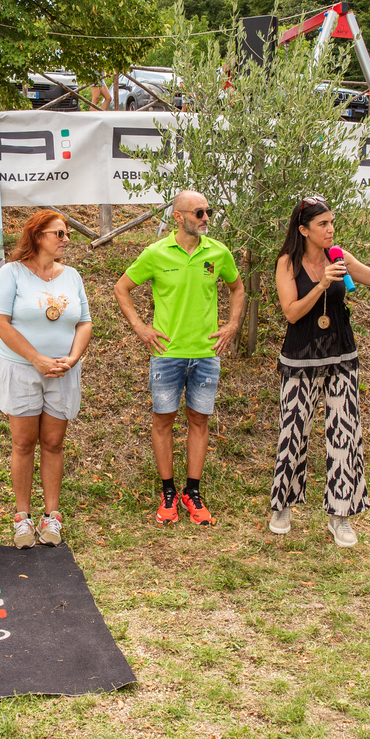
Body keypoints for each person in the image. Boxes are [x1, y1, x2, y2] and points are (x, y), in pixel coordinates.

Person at [269, 195, 370, 543]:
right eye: (322, 224)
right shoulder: (288, 262)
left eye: (331, 222)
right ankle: (283, 504)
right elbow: (292, 313)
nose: (330, 229)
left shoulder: (338, 255)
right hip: (301, 358)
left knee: (345, 434)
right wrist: (322, 284)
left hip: (341, 355)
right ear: (304, 230)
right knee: (293, 434)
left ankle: (340, 514)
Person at [114, 189, 244, 526]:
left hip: (206, 354)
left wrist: (232, 325)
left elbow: (237, 288)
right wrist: (140, 327)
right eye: (199, 213)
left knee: (199, 421)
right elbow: (121, 288)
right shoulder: (156, 253)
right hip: (166, 354)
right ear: (178, 216)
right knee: (163, 421)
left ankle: (193, 493)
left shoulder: (218, 252)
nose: (206, 218)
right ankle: (168, 493)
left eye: (208, 211)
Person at [0, 210, 93, 548]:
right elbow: (0, 322)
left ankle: (51, 517)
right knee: (23, 443)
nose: (66, 240)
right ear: (37, 236)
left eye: (66, 234)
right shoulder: (12, 273)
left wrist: (72, 358)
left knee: (53, 442)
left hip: (62, 371)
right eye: (59, 234)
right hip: (22, 369)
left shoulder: (72, 276)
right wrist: (35, 358)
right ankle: (22, 518)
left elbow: (85, 322)